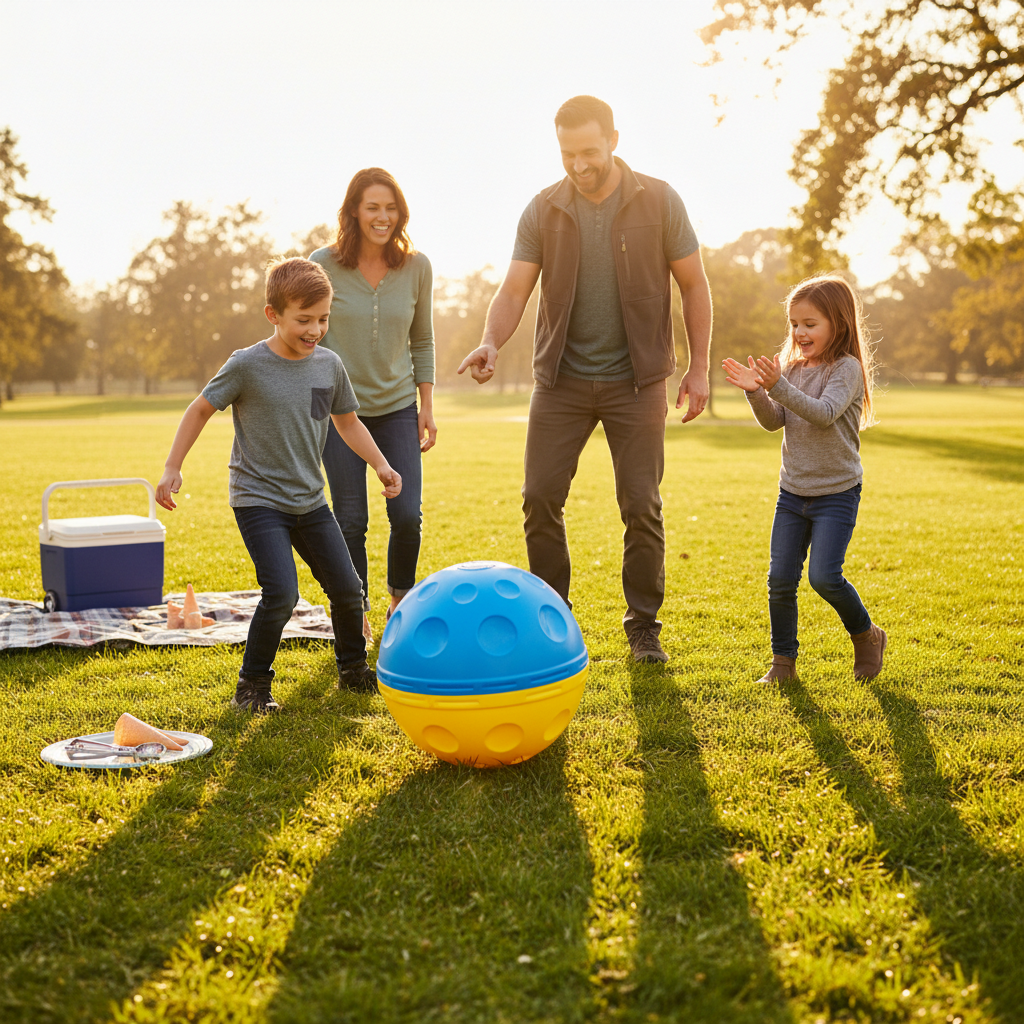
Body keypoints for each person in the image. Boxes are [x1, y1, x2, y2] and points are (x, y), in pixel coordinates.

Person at [457, 95, 712, 664]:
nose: (578, 164)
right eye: (567, 153)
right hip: (560, 382)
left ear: (615, 140)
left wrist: (697, 367)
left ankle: (643, 626)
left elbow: (694, 284)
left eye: (589, 152)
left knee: (641, 503)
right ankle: (553, 620)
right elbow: (515, 289)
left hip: (637, 381)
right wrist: (491, 340)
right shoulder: (543, 209)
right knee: (539, 498)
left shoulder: (661, 200)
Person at [155, 258, 402, 712]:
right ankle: (251, 688)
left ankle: (353, 669)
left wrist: (382, 465)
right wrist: (173, 466)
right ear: (274, 314)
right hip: (258, 500)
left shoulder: (329, 365)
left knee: (349, 590)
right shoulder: (247, 365)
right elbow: (200, 410)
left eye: (323, 319)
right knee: (283, 593)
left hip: (310, 501)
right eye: (303, 320)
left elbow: (348, 424)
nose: (315, 329)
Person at [722, 274, 886, 682]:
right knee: (780, 579)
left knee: (824, 576)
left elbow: (824, 413)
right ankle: (783, 665)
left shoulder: (846, 370)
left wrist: (776, 386)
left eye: (810, 324)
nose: (800, 332)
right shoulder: (791, 369)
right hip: (792, 493)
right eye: (795, 323)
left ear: (839, 323)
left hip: (836, 492)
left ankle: (866, 635)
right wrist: (756, 391)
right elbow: (775, 421)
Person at [309, 168, 435, 647]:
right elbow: (307, 332)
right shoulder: (323, 263)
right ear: (354, 212)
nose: (382, 217)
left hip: (398, 404)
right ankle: (355, 609)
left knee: (406, 515)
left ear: (400, 213)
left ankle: (399, 602)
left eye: (390, 208)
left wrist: (426, 404)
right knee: (350, 518)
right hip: (334, 406)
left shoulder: (417, 266)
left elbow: (422, 340)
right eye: (372, 207)